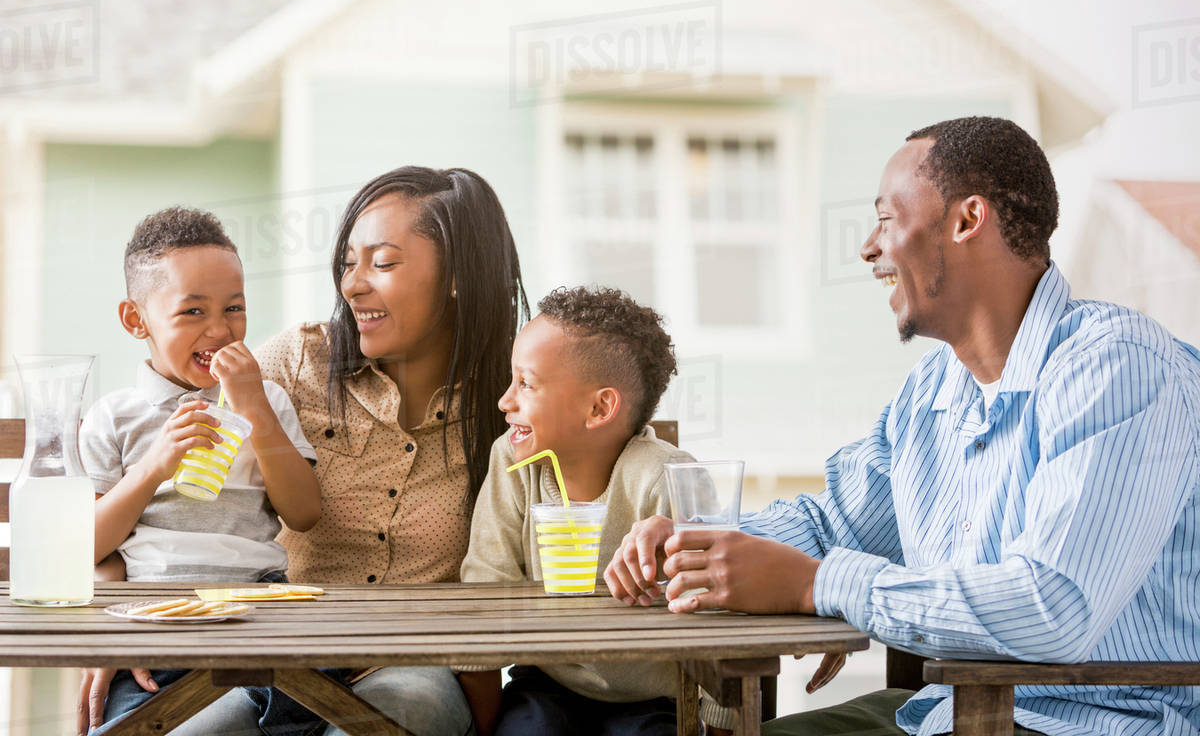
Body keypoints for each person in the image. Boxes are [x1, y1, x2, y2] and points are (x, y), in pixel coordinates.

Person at [605, 116, 1200, 736]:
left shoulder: (1118, 368)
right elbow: (838, 522)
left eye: (886, 220)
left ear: (968, 221)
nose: (868, 247)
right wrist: (695, 542)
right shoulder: (934, 388)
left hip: (1094, 723)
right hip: (941, 715)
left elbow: (1052, 607)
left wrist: (818, 585)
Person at [253, 166, 529, 736]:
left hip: (417, 666)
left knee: (398, 714)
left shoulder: (514, 396)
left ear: (457, 275)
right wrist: (116, 606)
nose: (352, 285)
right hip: (277, 659)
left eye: (382, 263)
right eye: (348, 263)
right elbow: (165, 483)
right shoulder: (292, 364)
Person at [77, 207, 322, 734]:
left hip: (257, 613)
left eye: (234, 308)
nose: (220, 328)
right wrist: (151, 469)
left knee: (303, 706)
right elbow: (84, 547)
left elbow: (303, 513)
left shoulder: (267, 400)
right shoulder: (114, 418)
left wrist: (254, 409)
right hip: (155, 624)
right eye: (193, 312)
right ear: (135, 319)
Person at [457, 286, 733, 736]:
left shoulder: (668, 477)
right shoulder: (511, 460)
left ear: (599, 407)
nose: (505, 401)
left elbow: (719, 618)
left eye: (525, 383)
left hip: (653, 700)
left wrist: (724, 727)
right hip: (545, 684)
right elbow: (485, 599)